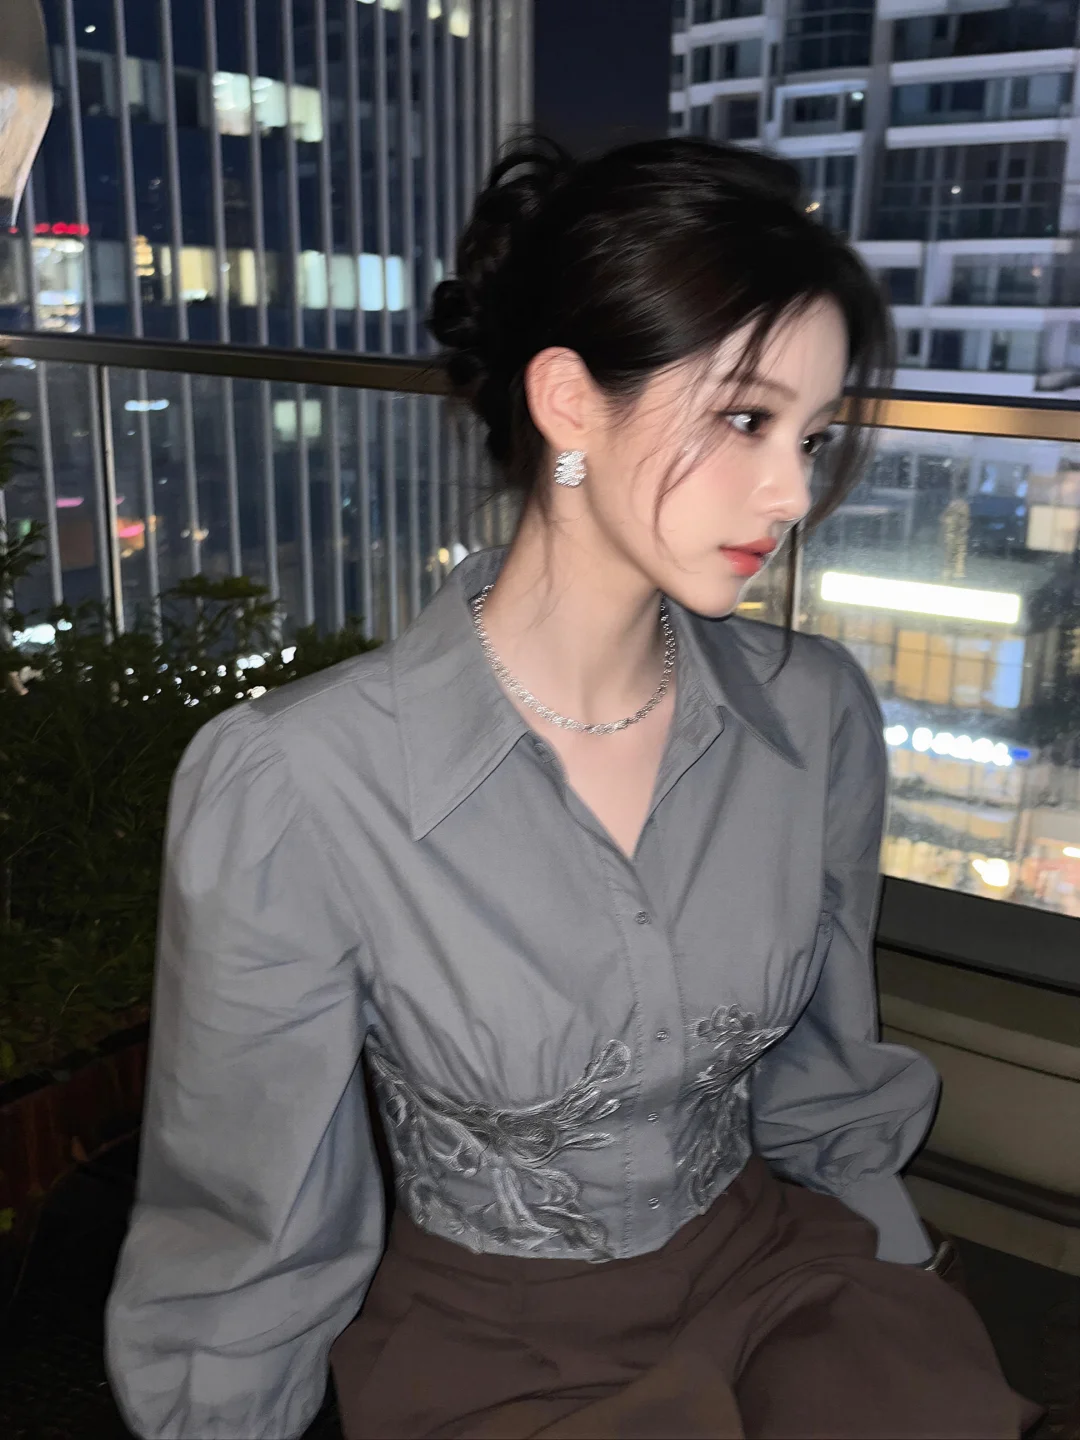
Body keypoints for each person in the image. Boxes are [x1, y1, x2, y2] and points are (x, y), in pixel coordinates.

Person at [105, 137, 1043, 1440]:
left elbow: (826, 1074)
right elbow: (246, 1219)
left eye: (813, 436)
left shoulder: (814, 713)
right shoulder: (303, 782)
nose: (791, 491)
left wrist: (895, 1274)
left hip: (778, 1273)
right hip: (498, 1343)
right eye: (745, 418)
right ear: (566, 401)